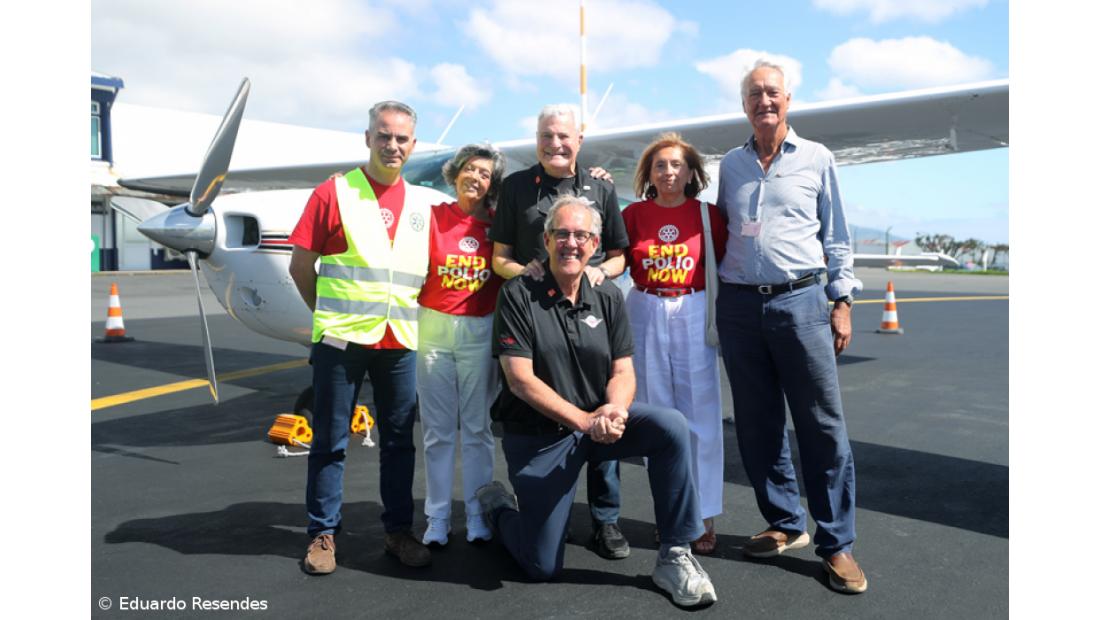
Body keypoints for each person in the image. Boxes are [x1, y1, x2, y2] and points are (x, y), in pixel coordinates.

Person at [477, 196, 717, 608]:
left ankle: (676, 554)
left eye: (582, 235)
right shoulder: (519, 294)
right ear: (547, 239)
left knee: (670, 426)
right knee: (540, 565)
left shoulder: (606, 296)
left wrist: (616, 411)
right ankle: (498, 506)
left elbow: (623, 371)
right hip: (542, 435)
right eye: (563, 234)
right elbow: (520, 381)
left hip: (597, 423)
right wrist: (585, 422)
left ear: (595, 244)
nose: (572, 243)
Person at [714, 60, 867, 593]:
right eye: (754, 94)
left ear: (788, 99)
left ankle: (837, 544)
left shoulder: (818, 159)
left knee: (821, 424)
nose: (764, 101)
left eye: (772, 92)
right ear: (744, 104)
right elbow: (715, 227)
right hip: (738, 308)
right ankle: (784, 523)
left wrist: (841, 301)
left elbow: (838, 237)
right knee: (756, 425)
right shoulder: (730, 166)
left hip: (801, 302)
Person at [289, 100, 452, 574]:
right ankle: (322, 534)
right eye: (384, 135)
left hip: (398, 342)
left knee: (400, 442)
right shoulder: (334, 193)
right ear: (367, 138)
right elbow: (301, 267)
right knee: (330, 441)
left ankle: (398, 532)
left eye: (402, 138)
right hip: (341, 343)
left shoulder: (425, 203)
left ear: (413, 145)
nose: (393, 145)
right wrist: (327, 319)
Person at [489, 103, 633, 560]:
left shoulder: (600, 187)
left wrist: (601, 275)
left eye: (564, 136)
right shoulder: (515, 187)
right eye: (547, 136)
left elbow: (618, 256)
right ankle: (548, 510)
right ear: (536, 139)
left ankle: (606, 521)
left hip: (586, 302)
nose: (556, 144)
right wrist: (524, 272)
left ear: (579, 140)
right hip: (536, 312)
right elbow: (499, 257)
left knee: (601, 408)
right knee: (544, 413)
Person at [621, 132, 728, 555]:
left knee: (700, 414)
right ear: (648, 173)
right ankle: (670, 513)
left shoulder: (709, 216)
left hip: (692, 308)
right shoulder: (633, 215)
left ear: (691, 172)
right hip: (646, 308)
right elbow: (617, 257)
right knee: (658, 416)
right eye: (660, 165)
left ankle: (704, 516)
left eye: (677, 165)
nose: (669, 171)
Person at [416, 144, 506, 546]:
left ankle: (476, 511)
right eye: (470, 169)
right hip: (433, 328)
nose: (477, 178)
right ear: (455, 174)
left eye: (485, 174)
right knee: (437, 432)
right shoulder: (433, 218)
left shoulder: (498, 226)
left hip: (478, 330)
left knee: (476, 429)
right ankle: (436, 516)